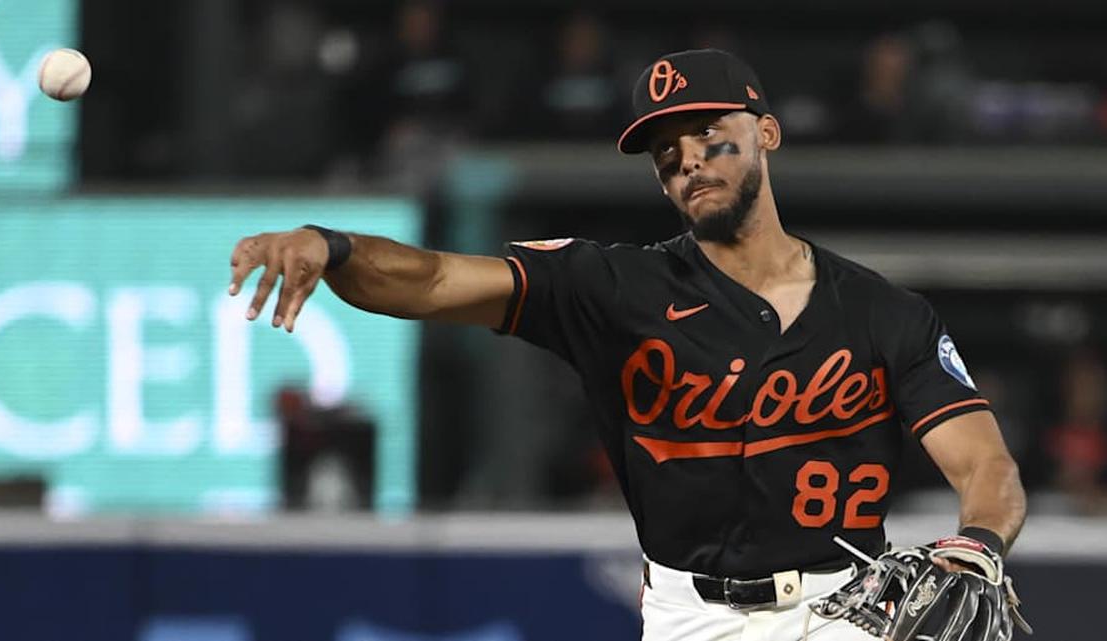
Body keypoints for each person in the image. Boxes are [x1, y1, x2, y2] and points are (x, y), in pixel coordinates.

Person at [227, 48, 1027, 641]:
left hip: (846, 612)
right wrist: (330, 244)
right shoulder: (613, 288)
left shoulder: (884, 313)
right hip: (689, 616)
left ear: (767, 134)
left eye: (709, 135)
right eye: (667, 154)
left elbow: (986, 467)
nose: (688, 162)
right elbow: (433, 280)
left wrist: (977, 543)